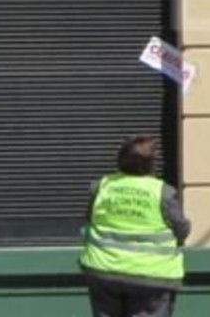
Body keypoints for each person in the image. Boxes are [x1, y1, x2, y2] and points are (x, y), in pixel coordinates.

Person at [80, 135, 190, 317]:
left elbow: (89, 219)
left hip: (104, 271)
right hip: (152, 275)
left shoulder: (102, 187)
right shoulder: (162, 192)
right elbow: (182, 229)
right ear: (151, 164)